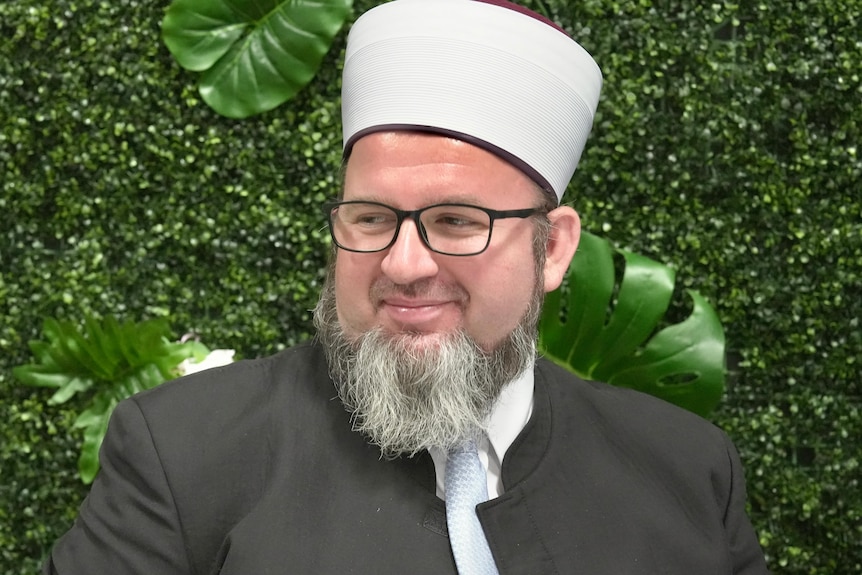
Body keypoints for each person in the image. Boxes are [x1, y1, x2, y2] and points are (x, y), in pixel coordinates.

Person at [43, 0, 770, 573]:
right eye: (371, 218)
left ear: (554, 249)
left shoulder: (688, 469)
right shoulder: (182, 453)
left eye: (457, 221)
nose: (403, 263)